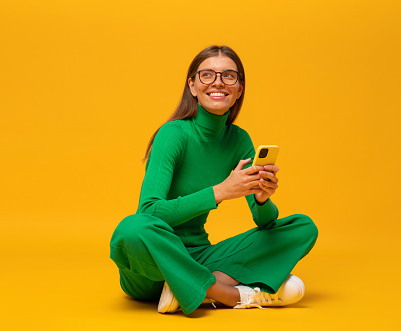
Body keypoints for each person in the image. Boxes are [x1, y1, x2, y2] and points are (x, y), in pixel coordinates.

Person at [109, 45, 318, 315]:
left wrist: (262, 198)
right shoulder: (173, 134)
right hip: (152, 264)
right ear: (193, 86)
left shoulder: (239, 140)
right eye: (207, 75)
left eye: (229, 76)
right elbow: (149, 212)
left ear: (239, 89)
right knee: (132, 228)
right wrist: (219, 191)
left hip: (200, 257)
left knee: (302, 227)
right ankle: (227, 293)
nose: (218, 82)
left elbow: (265, 223)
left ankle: (187, 285)